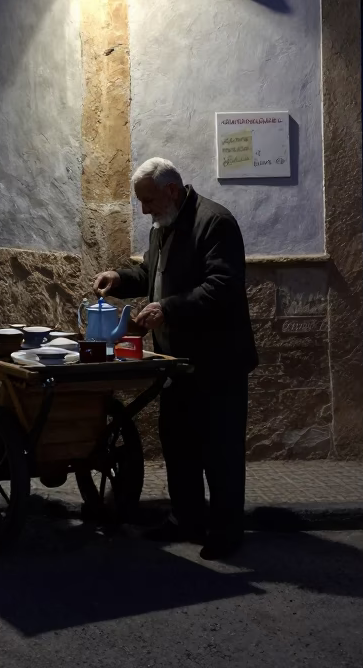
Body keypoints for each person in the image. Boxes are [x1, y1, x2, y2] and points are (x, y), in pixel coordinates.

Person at [94, 157, 257, 561]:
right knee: (179, 446)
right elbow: (152, 273)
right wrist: (119, 279)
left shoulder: (216, 222)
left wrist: (169, 308)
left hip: (217, 363)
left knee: (220, 452)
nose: (144, 209)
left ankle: (225, 532)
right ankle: (186, 519)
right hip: (177, 362)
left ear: (171, 190)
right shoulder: (163, 225)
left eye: (148, 200)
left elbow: (222, 286)